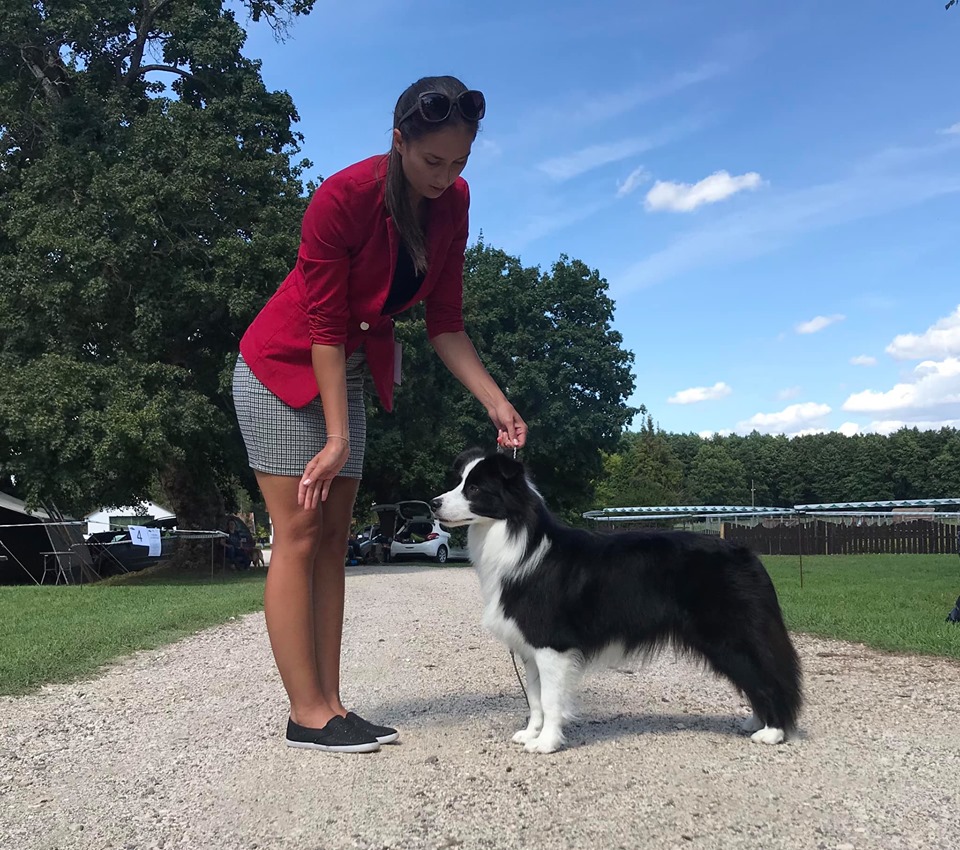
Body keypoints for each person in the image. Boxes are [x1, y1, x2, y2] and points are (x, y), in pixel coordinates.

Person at [232, 76, 528, 753]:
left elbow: (445, 324)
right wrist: (335, 438)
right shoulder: (343, 198)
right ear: (399, 140)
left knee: (336, 538)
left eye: (459, 163)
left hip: (350, 370)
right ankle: (305, 714)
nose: (445, 176)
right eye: (432, 161)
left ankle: (331, 705)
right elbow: (325, 325)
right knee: (300, 530)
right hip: (282, 365)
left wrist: (496, 401)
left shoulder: (453, 203)